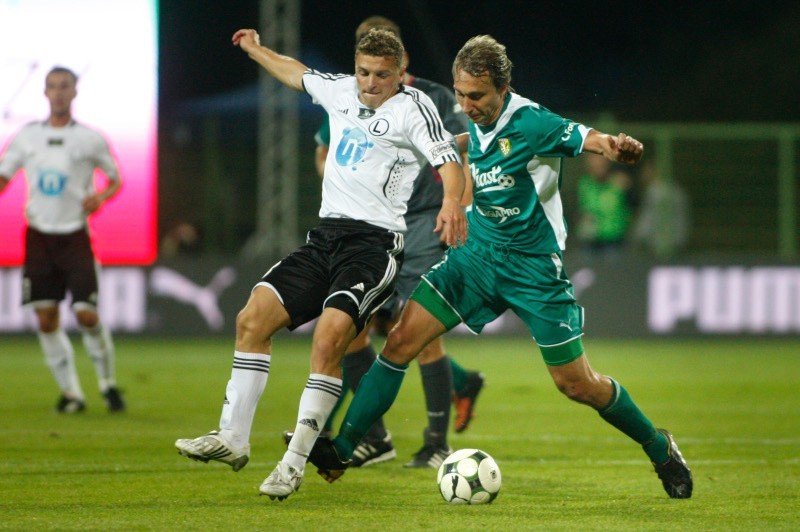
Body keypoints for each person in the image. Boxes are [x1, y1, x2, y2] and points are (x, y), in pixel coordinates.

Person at [308, 35, 693, 500]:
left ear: (503, 88)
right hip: (476, 258)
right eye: (460, 94)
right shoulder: (473, 123)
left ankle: (659, 446)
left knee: (576, 384)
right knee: (400, 341)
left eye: (477, 96)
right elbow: (474, 144)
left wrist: (615, 147)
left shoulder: (532, 121)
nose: (466, 104)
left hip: (533, 269)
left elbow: (588, 138)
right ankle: (343, 449)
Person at [175, 27, 468, 501]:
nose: (371, 83)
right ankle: (232, 438)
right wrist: (255, 50)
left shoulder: (414, 109)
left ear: (399, 74)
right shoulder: (340, 90)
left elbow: (449, 161)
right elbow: (296, 74)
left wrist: (451, 203)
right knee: (252, 319)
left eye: (382, 75)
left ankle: (294, 465)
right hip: (325, 238)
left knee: (330, 339)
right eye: (364, 72)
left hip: (373, 247)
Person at [297, 15, 485, 471]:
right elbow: (325, 149)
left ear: (401, 60)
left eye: (385, 63)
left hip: (424, 223)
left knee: (415, 327)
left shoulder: (437, 98)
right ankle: (376, 436)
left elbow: (463, 155)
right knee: (358, 329)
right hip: (372, 227)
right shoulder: (350, 97)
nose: (374, 74)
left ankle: (435, 441)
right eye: (366, 63)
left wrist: (459, 206)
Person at [0, 66, 126, 414]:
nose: (57, 92)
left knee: (86, 314)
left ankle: (107, 384)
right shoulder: (27, 137)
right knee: (46, 319)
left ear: (74, 92)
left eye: (64, 86)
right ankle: (72, 394)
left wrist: (100, 197)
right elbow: (4, 176)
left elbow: (115, 179)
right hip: (39, 235)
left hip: (74, 236)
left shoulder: (90, 138)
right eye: (52, 86)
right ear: (44, 92)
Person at [575, 153, 635, 262]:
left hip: (614, 240)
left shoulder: (619, 183)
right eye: (593, 160)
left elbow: (632, 207)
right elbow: (583, 210)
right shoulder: (584, 184)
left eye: (600, 160)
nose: (597, 164)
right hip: (590, 241)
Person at [630, 158, 691, 258]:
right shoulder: (677, 191)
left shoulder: (654, 192)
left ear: (653, 170)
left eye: (645, 170)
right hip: (677, 244)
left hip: (657, 247)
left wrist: (636, 240)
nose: (642, 174)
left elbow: (646, 222)